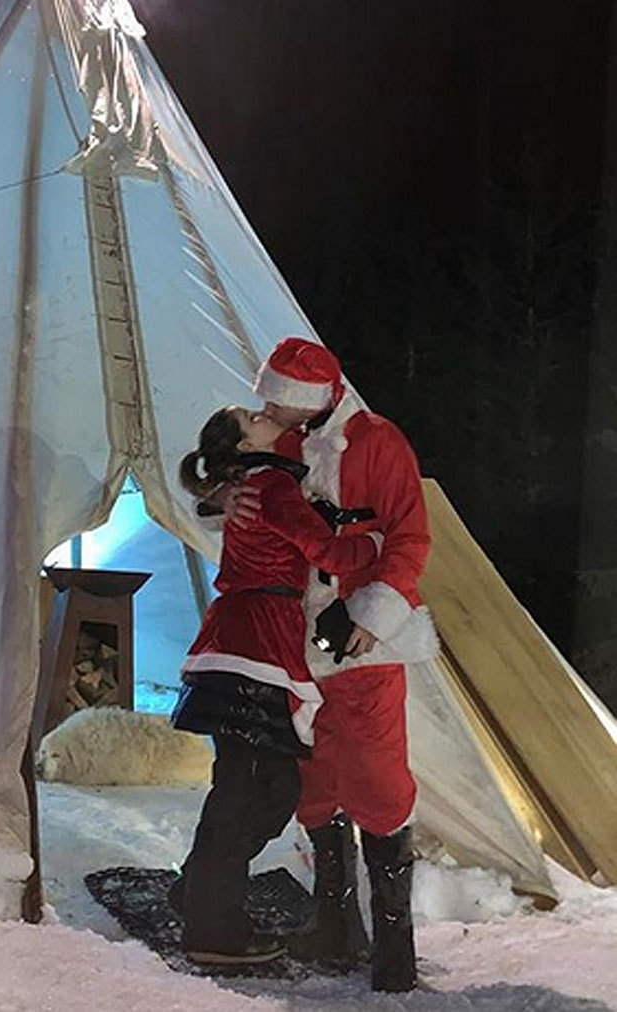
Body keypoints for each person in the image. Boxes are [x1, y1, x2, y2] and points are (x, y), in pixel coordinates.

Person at [242, 336, 436, 993]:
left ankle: (394, 948)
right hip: (299, 641)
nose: (269, 409)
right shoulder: (285, 443)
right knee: (315, 780)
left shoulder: (379, 443)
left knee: (378, 782)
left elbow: (409, 538)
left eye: (281, 402)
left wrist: (369, 616)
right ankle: (334, 925)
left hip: (362, 643)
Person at [170, 404, 384, 966]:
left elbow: (207, 494)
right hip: (255, 641)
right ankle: (213, 930)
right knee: (247, 788)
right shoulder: (267, 485)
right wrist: (378, 545)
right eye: (253, 418)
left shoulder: (256, 483)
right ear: (244, 446)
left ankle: (201, 890)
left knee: (265, 786)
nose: (265, 415)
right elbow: (327, 552)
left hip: (249, 636)